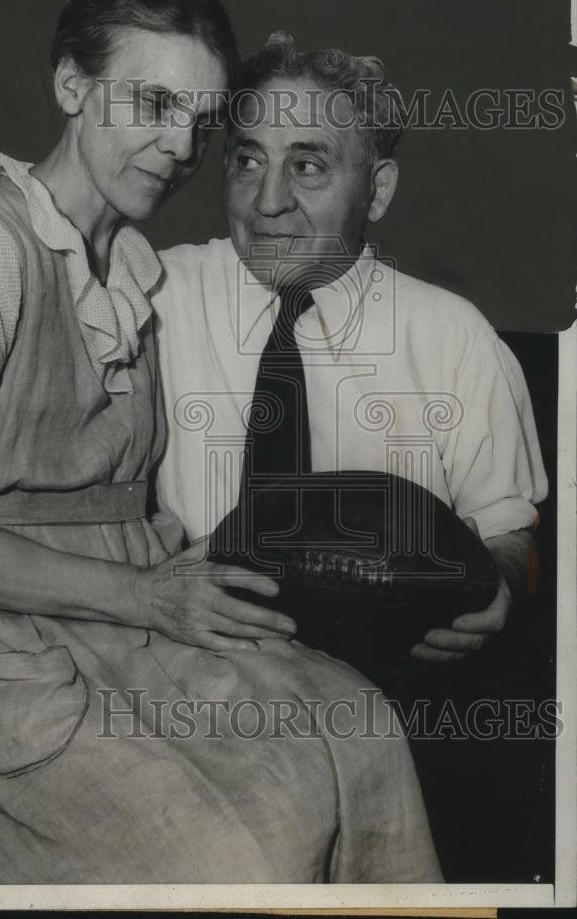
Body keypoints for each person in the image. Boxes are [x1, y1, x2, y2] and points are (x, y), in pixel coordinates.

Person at [0, 0, 441, 885]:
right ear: (70, 87)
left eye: (202, 121)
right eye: (155, 103)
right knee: (244, 851)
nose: (180, 146)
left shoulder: (135, 267)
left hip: (140, 604)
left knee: (361, 732)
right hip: (0, 644)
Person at [153, 34, 547, 665]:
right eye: (248, 161)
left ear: (378, 190)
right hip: (184, 667)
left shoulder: (454, 336)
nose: (268, 201)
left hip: (383, 674)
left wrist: (498, 586)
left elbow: (508, 527)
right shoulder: (150, 298)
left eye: (307, 167)